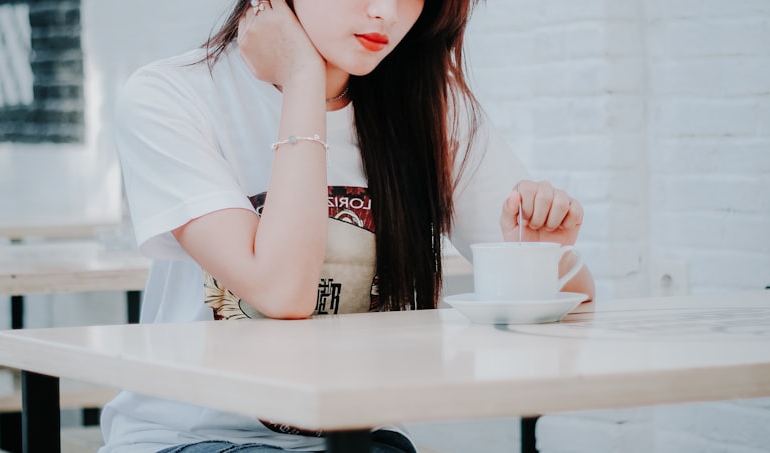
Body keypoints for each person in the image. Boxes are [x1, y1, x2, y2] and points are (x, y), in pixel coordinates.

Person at [101, 0, 596, 451]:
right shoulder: (172, 97)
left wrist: (539, 254)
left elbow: (579, 298)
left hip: (357, 438)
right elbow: (281, 292)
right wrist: (302, 80)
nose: (385, 11)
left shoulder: (431, 108)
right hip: (187, 439)